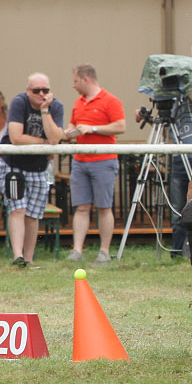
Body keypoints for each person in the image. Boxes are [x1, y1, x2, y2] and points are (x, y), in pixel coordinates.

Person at [0, 73, 65, 268]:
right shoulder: (19, 102)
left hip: (39, 167)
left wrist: (45, 111)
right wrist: (45, 143)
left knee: (34, 214)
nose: (41, 94)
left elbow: (55, 138)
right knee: (17, 209)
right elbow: (16, 137)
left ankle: (29, 258)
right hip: (13, 164)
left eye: (45, 90)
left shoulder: (56, 106)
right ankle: (17, 256)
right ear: (28, 91)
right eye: (36, 91)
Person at [134, 85, 192, 258]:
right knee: (176, 207)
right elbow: (166, 132)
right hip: (177, 157)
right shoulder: (169, 98)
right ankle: (176, 250)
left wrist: (185, 84)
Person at [65, 64, 125, 264]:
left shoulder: (111, 100)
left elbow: (120, 126)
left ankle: (104, 251)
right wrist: (71, 130)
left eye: (75, 81)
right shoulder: (78, 102)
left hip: (104, 160)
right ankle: (77, 250)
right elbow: (74, 123)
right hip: (80, 160)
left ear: (86, 79)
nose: (73, 85)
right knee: (81, 207)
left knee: (104, 207)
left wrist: (93, 128)